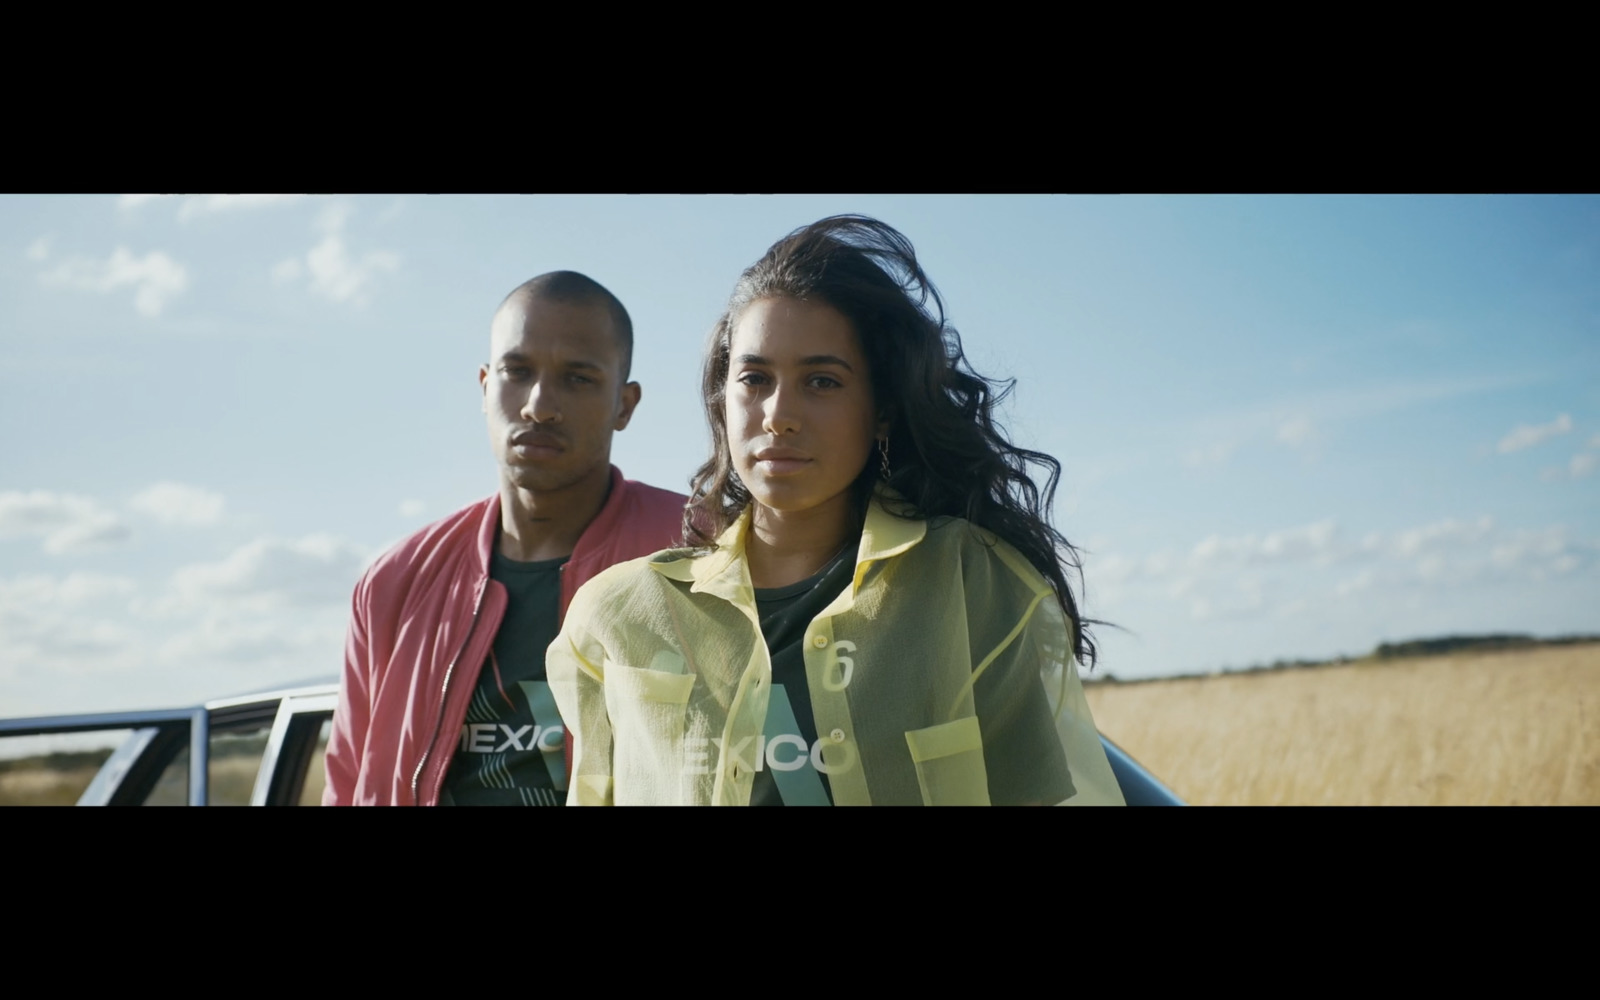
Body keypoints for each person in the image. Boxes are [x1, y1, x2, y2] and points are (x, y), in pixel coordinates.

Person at [546, 217, 1124, 805]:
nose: (778, 414)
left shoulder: (972, 583)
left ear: (882, 410)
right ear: (723, 399)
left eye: (821, 381)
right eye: (754, 378)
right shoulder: (618, 615)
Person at [324, 272, 688, 805]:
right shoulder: (394, 583)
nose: (539, 405)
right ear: (484, 386)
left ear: (624, 405)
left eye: (579, 378)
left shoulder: (703, 553)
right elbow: (349, 781)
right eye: (517, 371)